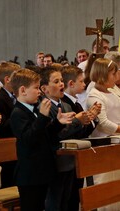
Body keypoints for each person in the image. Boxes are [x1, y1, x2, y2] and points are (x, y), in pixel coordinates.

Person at [10, 68, 75, 211]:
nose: (39, 91)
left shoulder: (32, 109)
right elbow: (29, 139)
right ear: (23, 90)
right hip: (30, 175)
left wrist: (58, 123)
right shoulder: (18, 113)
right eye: (36, 88)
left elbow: (44, 135)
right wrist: (43, 118)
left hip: (40, 172)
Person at [39, 67, 99, 211]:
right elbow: (58, 134)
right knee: (55, 202)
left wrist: (90, 119)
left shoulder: (65, 105)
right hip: (55, 161)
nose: (61, 84)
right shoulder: (45, 107)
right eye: (56, 81)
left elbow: (76, 133)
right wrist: (77, 121)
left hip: (70, 160)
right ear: (45, 88)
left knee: (66, 200)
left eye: (61, 80)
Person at [61, 65, 101, 211]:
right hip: (68, 158)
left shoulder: (75, 102)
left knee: (75, 195)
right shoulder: (65, 103)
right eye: (81, 82)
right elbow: (74, 132)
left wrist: (93, 118)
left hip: (77, 156)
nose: (84, 85)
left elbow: (83, 131)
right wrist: (86, 120)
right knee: (69, 197)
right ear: (71, 84)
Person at [86, 58, 120, 210]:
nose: (116, 76)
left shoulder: (113, 90)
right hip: (104, 143)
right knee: (105, 183)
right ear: (104, 74)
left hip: (116, 141)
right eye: (113, 73)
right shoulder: (94, 95)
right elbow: (104, 124)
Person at [0, 61, 20, 188]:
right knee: (10, 182)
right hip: (8, 147)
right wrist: (20, 115)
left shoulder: (16, 96)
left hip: (18, 146)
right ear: (8, 79)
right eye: (17, 78)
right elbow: (2, 126)